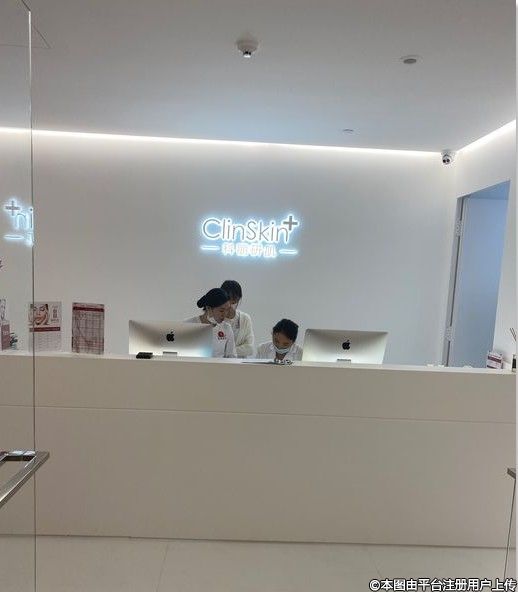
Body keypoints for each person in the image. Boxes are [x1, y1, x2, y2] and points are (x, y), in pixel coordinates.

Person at [186, 288, 237, 358]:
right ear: (208, 308)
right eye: (221, 311)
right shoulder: (188, 325)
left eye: (227, 310)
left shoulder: (226, 328)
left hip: (219, 365)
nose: (225, 314)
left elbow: (232, 356)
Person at [220, 280, 254, 358]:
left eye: (234, 300)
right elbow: (212, 348)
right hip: (218, 362)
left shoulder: (245, 318)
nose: (230, 304)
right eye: (228, 299)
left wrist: (227, 351)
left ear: (239, 299)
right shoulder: (215, 318)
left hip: (239, 363)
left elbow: (250, 348)